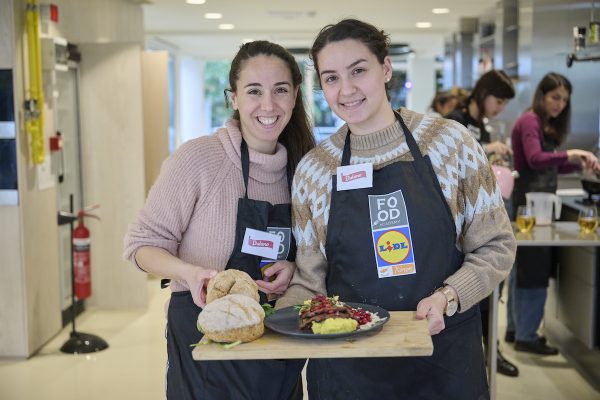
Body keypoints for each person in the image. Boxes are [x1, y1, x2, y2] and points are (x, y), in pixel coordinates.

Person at [277, 19, 516, 399]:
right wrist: (271, 322)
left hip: (443, 354)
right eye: (331, 78)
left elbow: (497, 246)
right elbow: (311, 281)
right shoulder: (315, 171)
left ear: (385, 68)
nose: (347, 89)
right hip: (349, 369)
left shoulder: (450, 144)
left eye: (359, 70)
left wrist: (448, 297)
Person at [123, 40, 315, 400]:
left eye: (280, 90)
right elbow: (141, 246)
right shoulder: (198, 159)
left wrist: (293, 268)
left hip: (278, 339)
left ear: (295, 96)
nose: (268, 105)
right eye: (254, 91)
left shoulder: (305, 170)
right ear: (234, 98)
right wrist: (190, 273)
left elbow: (315, 254)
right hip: (206, 338)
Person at [510, 72, 600, 355]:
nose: (559, 104)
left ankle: (518, 330)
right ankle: (526, 335)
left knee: (525, 270)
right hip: (531, 206)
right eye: (554, 97)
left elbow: (550, 166)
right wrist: (571, 153)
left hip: (539, 205)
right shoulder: (529, 121)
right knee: (533, 270)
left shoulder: (542, 123)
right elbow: (536, 159)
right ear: (542, 96)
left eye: (564, 100)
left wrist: (578, 165)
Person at [446, 69, 520, 377]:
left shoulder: (481, 124)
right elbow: (451, 160)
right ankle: (477, 356)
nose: (500, 108)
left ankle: (491, 351)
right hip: (459, 222)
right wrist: (488, 150)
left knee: (492, 289)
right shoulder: (457, 120)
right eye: (498, 100)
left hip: (483, 214)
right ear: (484, 93)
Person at [446, 70, 514, 158]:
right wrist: (486, 148)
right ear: (483, 93)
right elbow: (449, 156)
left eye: (505, 104)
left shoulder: (483, 128)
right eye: (499, 102)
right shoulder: (455, 120)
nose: (502, 109)